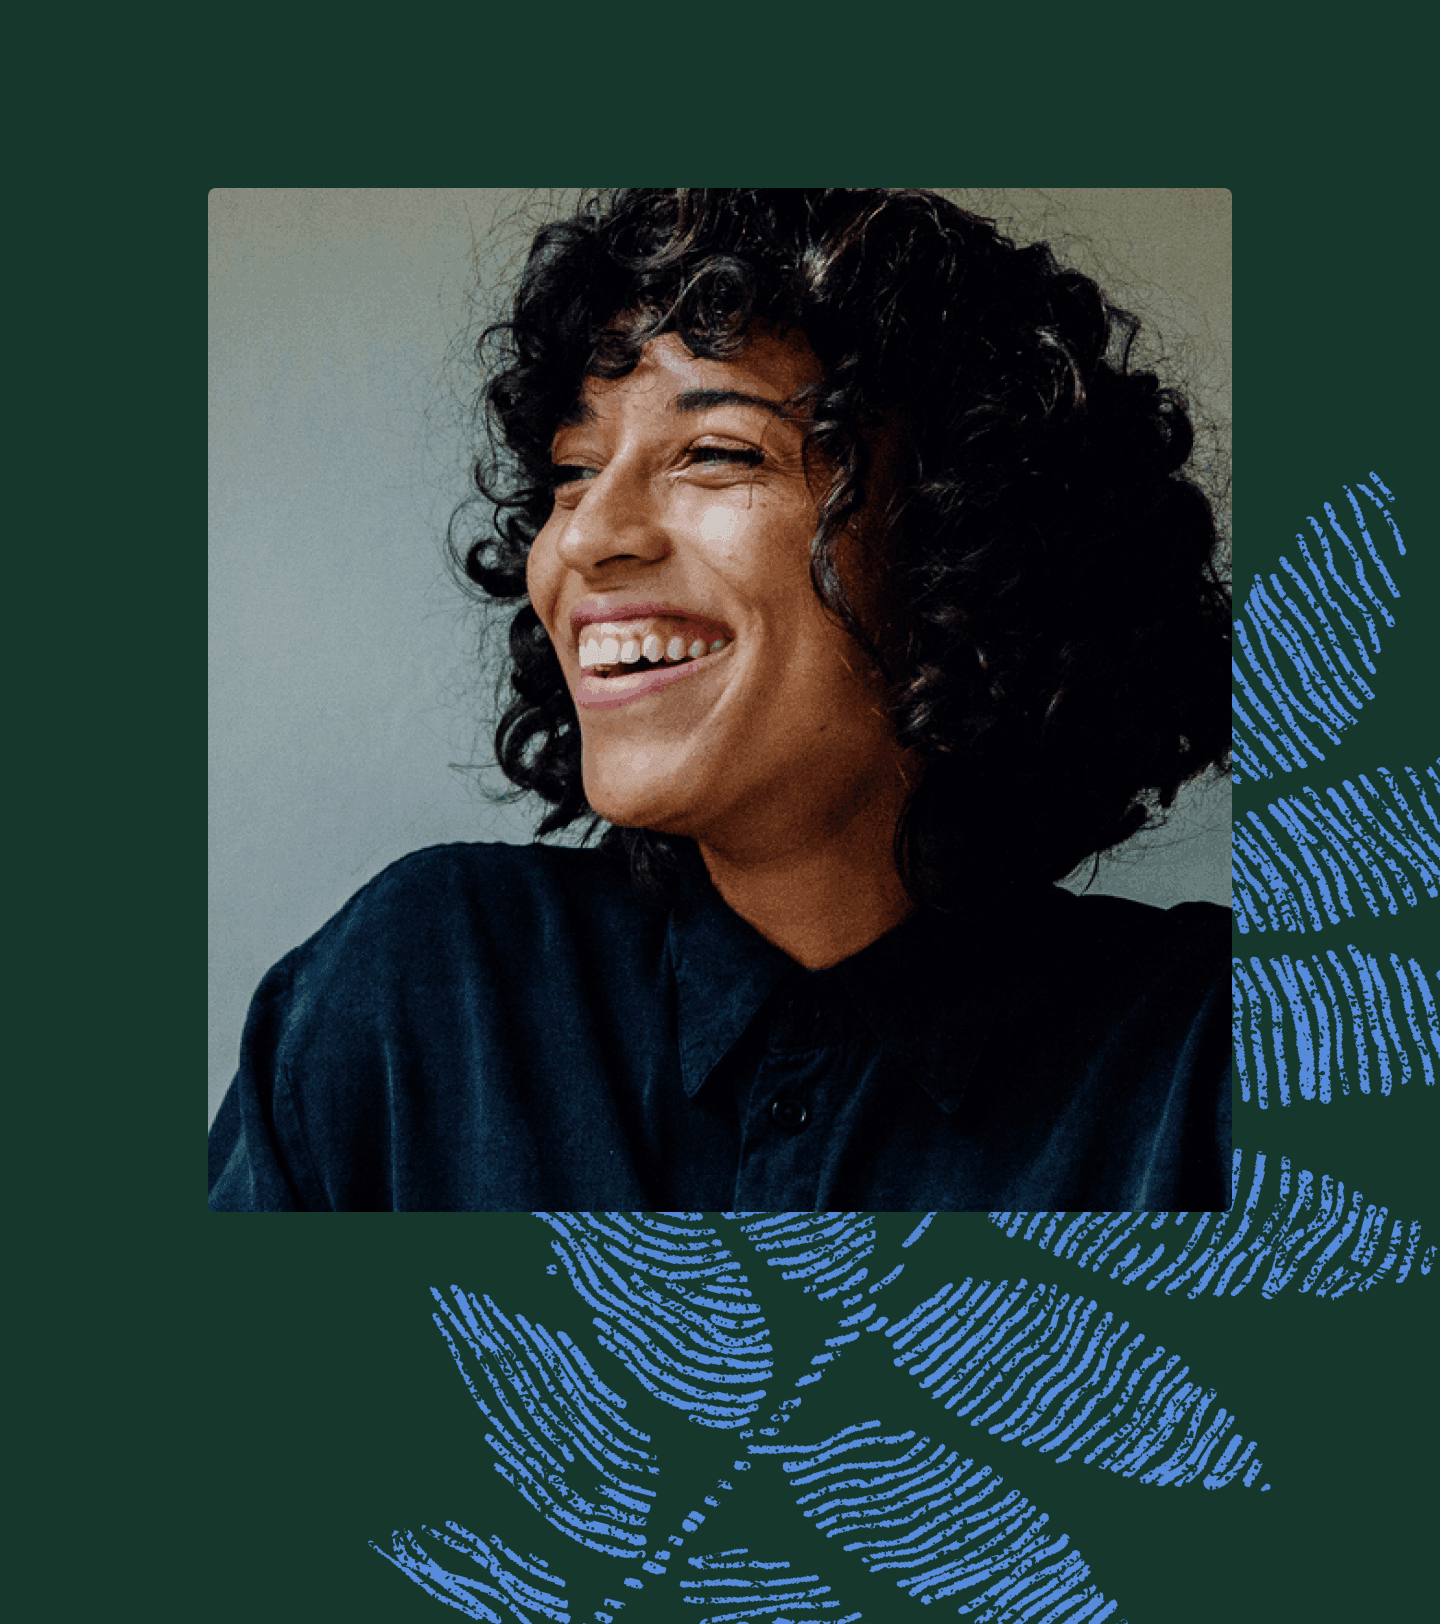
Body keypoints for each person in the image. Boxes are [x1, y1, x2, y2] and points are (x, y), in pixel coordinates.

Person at [209, 188, 1231, 1213]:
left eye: (716, 453)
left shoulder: (1216, 1060)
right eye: (573, 469)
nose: (587, 535)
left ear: (965, 540)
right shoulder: (416, 1001)